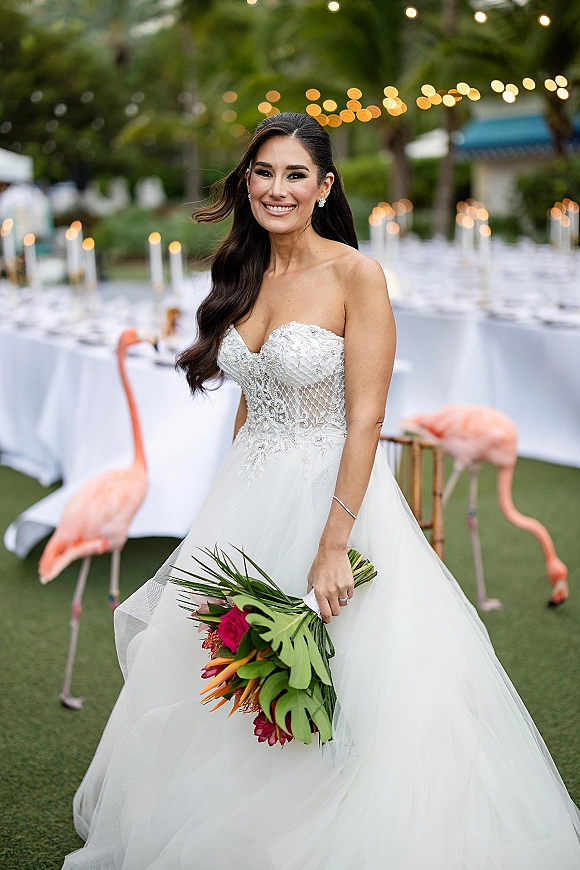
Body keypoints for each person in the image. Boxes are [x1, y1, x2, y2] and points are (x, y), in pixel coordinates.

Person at [63, 113, 580, 870]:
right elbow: (250, 397)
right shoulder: (242, 269)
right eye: (263, 172)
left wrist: (334, 543)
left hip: (335, 497)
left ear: (323, 186)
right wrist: (222, 504)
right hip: (249, 492)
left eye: (295, 174)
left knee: (349, 678)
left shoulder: (356, 276)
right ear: (246, 183)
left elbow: (367, 415)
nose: (277, 188)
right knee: (226, 676)